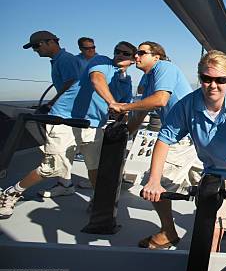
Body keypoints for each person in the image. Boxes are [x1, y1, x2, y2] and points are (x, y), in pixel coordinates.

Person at [141, 50, 226, 254]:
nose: (213, 85)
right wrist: (154, 180)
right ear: (199, 77)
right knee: (211, 224)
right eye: (206, 78)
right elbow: (164, 139)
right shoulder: (187, 104)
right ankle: (209, 267)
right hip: (215, 173)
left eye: (221, 79)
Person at [0, 42, 136, 218]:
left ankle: (97, 200)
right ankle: (11, 193)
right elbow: (97, 80)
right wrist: (112, 102)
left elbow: (124, 107)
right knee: (51, 168)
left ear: (133, 59)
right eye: (117, 51)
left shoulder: (126, 81)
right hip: (65, 120)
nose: (119, 55)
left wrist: (123, 124)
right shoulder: (102, 62)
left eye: (125, 53)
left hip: (92, 125)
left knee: (95, 166)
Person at [111, 41, 203, 250]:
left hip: (184, 137)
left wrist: (124, 106)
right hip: (184, 135)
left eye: (142, 53)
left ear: (157, 56)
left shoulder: (164, 68)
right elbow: (142, 111)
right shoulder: (147, 78)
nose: (136, 56)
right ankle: (215, 222)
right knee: (206, 181)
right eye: (136, 53)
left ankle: (169, 233)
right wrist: (125, 134)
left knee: (155, 185)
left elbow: (160, 100)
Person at [22, 31, 80, 112]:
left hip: (74, 112)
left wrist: (50, 104)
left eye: (37, 45)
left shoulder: (65, 59)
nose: (35, 50)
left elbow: (72, 85)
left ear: (51, 42)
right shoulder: (59, 60)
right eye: (33, 47)